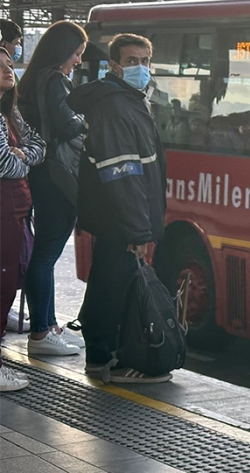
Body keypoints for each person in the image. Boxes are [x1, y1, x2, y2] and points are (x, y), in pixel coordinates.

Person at [67, 33, 169, 383]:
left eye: (145, 61)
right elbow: (123, 176)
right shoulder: (114, 107)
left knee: (110, 283)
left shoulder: (129, 99)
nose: (140, 68)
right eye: (131, 61)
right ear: (113, 67)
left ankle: (104, 355)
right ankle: (107, 359)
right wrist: (137, 231)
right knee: (114, 287)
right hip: (118, 219)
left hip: (118, 219)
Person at [16, 20, 88, 356]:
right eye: (76, 53)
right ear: (63, 51)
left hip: (39, 173)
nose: (78, 61)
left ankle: (48, 324)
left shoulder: (30, 80)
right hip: (57, 174)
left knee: (43, 252)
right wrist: (86, 118)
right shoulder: (56, 80)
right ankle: (42, 334)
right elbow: (65, 125)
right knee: (46, 255)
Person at [0, 47, 44, 391]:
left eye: (9, 63)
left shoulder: (11, 113)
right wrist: (25, 158)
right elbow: (7, 166)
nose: (7, 70)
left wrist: (24, 154)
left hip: (16, 211)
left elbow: (38, 143)